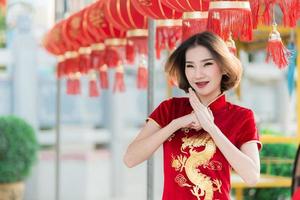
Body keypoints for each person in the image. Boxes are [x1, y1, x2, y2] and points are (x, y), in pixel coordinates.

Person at [123, 31, 261, 200]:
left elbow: (252, 176)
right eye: (190, 66)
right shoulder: (170, 108)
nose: (198, 74)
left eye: (207, 64)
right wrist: (176, 124)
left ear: (223, 67)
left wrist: (211, 127)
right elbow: (130, 159)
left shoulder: (242, 117)